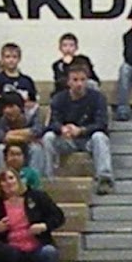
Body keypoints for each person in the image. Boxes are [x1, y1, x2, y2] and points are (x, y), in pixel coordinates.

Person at [0, 167, 64, 262]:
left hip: (37, 246)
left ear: (18, 180)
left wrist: (43, 226)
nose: (8, 182)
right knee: (3, 255)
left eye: (11, 178)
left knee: (49, 252)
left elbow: (58, 217)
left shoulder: (37, 196)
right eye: (3, 180)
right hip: (12, 248)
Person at [47, 63, 114, 195]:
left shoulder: (97, 98)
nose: (79, 84)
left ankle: (105, 179)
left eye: (83, 80)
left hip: (89, 140)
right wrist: (62, 128)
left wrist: (81, 130)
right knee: (48, 137)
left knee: (100, 137)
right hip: (67, 139)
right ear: (68, 82)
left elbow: (102, 123)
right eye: (75, 80)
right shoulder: (59, 98)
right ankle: (48, 178)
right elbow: (52, 122)